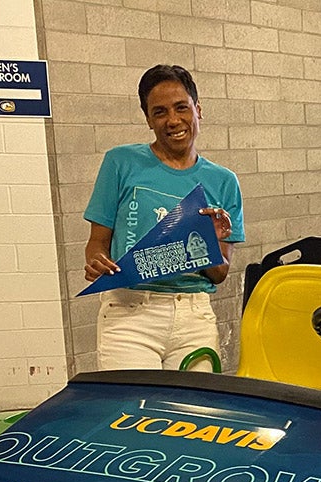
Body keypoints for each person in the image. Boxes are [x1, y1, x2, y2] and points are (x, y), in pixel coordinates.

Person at [83, 64, 244, 371]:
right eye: (159, 112)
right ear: (148, 119)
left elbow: (220, 273)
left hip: (193, 318)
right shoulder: (120, 162)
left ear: (198, 110)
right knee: (130, 413)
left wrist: (208, 241)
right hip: (129, 314)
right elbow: (97, 244)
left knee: (196, 415)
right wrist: (97, 261)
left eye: (181, 108)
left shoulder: (223, 181)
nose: (173, 120)